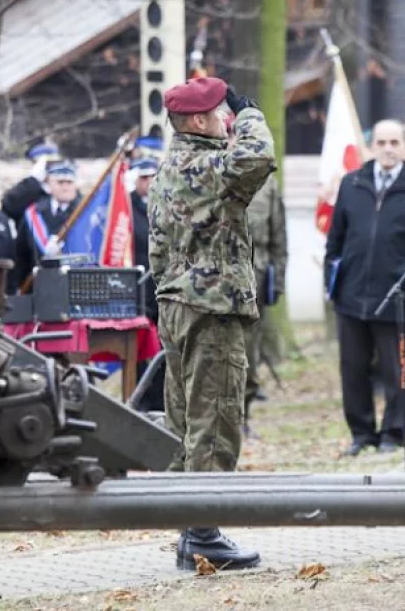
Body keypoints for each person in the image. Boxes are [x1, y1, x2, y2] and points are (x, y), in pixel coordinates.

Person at [148, 76, 275, 571]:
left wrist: (171, 290)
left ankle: (191, 528)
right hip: (212, 308)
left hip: (175, 305)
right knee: (216, 418)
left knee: (185, 422)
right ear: (199, 120)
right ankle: (203, 534)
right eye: (221, 113)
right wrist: (250, 114)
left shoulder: (167, 169)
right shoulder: (209, 164)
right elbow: (259, 156)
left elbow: (157, 247)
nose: (228, 119)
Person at [325, 119, 405, 456]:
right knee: (353, 370)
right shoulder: (352, 183)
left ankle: (393, 432)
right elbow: (335, 241)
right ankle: (361, 433)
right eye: (382, 142)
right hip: (351, 297)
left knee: (395, 372)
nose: (388, 149)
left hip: (395, 298)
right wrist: (332, 285)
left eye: (395, 142)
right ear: (371, 146)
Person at [242, 171, 287, 436]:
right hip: (214, 282)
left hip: (255, 280)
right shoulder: (213, 172)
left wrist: (277, 281)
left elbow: (279, 240)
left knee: (249, 353)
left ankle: (242, 418)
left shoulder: (267, 184)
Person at [128, 157, 165, 412]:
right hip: (137, 288)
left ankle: (161, 400)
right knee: (139, 347)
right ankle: (139, 401)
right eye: (143, 178)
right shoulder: (126, 207)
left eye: (153, 177)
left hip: (164, 285)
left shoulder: (168, 202)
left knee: (163, 346)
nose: (149, 182)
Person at [11, 158, 81, 289]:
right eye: (60, 182)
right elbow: (21, 254)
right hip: (40, 287)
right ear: (48, 185)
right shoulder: (34, 213)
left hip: (75, 287)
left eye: (69, 182)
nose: (65, 187)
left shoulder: (85, 213)